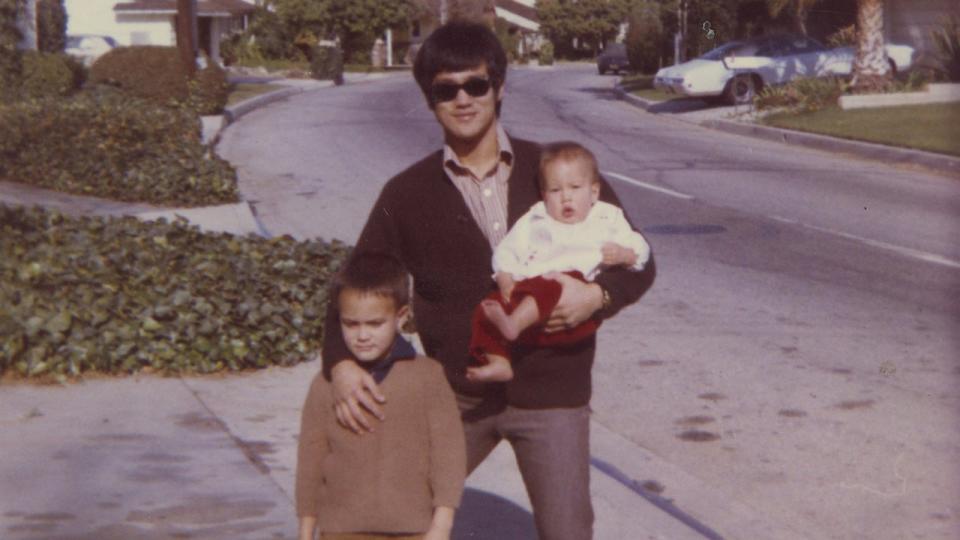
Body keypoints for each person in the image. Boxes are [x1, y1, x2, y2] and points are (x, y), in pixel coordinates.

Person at [322, 20, 656, 540]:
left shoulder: (558, 172)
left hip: (553, 396)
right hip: (458, 396)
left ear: (499, 88)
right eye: (445, 89)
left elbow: (641, 262)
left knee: (568, 532)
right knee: (386, 514)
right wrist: (342, 365)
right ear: (430, 100)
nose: (463, 99)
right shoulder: (406, 193)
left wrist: (598, 295)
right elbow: (358, 279)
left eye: (476, 84)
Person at [297, 253, 466, 540]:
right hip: (342, 529)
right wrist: (306, 529)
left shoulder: (427, 377)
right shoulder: (326, 384)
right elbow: (310, 460)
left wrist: (442, 523)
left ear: (401, 316)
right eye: (351, 324)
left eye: (375, 323)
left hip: (414, 529)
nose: (362, 335)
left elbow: (448, 454)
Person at [466, 141, 651, 383]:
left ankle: (513, 324)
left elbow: (640, 247)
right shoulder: (537, 217)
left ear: (594, 192)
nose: (565, 198)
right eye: (555, 190)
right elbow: (508, 248)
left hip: (568, 295)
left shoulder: (606, 217)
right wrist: (504, 276)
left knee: (549, 285)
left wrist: (625, 254)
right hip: (527, 290)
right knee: (489, 306)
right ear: (544, 194)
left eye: (575, 188)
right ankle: (499, 360)